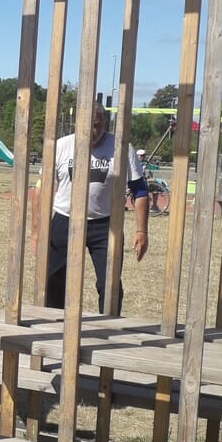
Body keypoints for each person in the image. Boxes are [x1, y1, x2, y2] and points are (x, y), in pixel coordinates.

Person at [31, 101, 148, 315]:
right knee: (53, 279)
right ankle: (54, 325)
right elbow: (41, 189)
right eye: (87, 125)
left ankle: (107, 329)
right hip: (65, 221)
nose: (92, 131)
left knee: (109, 284)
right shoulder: (61, 146)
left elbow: (140, 190)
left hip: (105, 225)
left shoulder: (121, 148)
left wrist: (141, 231)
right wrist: (37, 230)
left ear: (105, 122)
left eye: (97, 124)